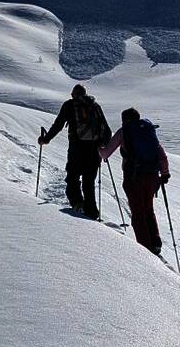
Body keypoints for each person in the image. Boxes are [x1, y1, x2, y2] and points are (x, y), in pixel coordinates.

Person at [99, 108, 170, 256]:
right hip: (152, 177)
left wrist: (99, 149)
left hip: (134, 177)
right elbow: (161, 154)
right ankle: (155, 242)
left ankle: (145, 248)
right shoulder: (148, 130)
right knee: (148, 209)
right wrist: (164, 174)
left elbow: (106, 153)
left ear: (124, 119)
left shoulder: (124, 131)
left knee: (138, 212)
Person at [39, 84, 111, 219]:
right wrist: (103, 144)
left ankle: (78, 204)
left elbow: (58, 124)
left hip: (76, 148)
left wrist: (46, 139)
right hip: (94, 150)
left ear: (73, 94)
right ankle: (92, 212)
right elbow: (106, 129)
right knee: (89, 182)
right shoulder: (95, 106)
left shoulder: (69, 105)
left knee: (72, 177)